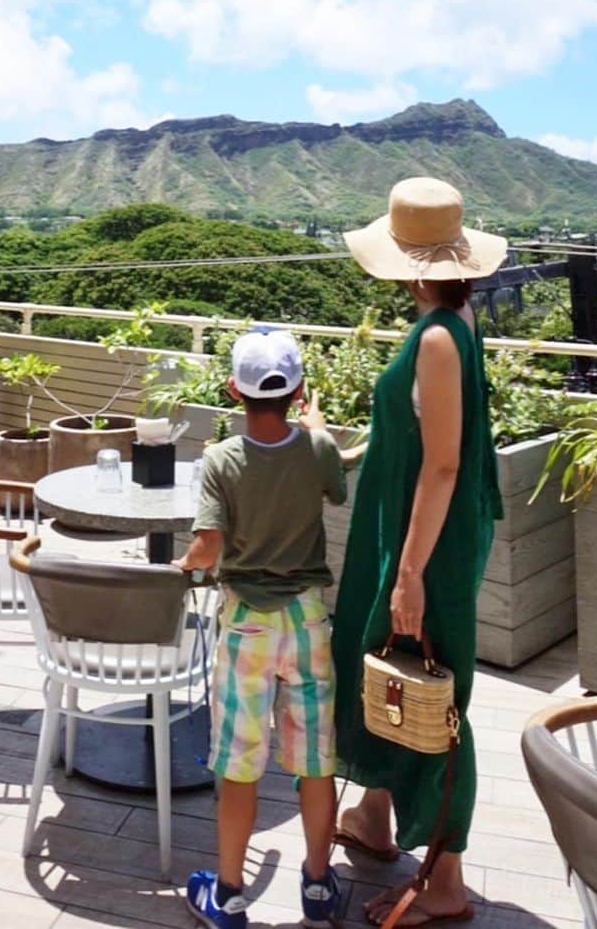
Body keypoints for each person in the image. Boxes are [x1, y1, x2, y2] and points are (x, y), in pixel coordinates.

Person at [326, 177, 507, 928]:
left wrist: (408, 575)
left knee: (432, 697)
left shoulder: (436, 336)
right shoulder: (457, 316)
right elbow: (427, 432)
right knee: (381, 668)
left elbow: (442, 463)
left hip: (420, 542)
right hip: (407, 528)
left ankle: (444, 882)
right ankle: (373, 815)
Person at [176, 327, 349, 929]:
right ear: (298, 390)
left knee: (239, 760)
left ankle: (227, 895)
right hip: (306, 619)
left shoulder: (221, 459)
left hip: (247, 621)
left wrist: (184, 564)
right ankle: (321, 885)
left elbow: (206, 547)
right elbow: (331, 481)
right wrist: (317, 428)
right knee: (315, 759)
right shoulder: (318, 446)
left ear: (233, 391)